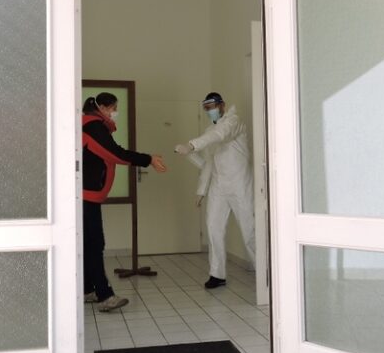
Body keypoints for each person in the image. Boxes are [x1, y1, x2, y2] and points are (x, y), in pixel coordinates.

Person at [82, 92, 166, 311]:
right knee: (95, 243)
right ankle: (105, 296)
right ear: (102, 108)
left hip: (85, 194)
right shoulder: (93, 126)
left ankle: (87, 289)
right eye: (113, 108)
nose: (115, 112)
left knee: (88, 243)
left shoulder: (92, 125)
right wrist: (148, 159)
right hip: (85, 195)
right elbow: (115, 154)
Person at [175, 92, 255, 289]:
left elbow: (220, 134)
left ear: (222, 105)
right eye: (206, 108)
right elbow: (208, 163)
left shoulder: (234, 122)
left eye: (212, 107)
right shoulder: (209, 130)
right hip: (218, 186)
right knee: (213, 228)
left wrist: (191, 145)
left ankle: (266, 271)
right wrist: (201, 190)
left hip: (240, 184)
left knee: (249, 230)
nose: (210, 111)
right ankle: (217, 274)